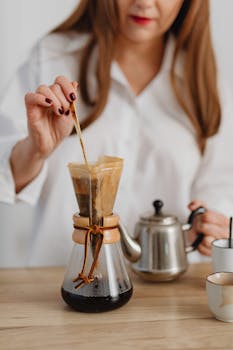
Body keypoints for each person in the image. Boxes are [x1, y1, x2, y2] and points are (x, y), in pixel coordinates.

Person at [0, 0, 232, 267]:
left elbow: (219, 192)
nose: (144, 3)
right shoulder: (52, 57)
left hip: (167, 291)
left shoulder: (205, 84)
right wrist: (36, 150)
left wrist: (210, 227)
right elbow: (7, 177)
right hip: (59, 283)